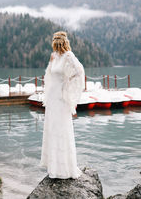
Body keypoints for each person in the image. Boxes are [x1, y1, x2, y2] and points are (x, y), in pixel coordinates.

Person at [40, 31, 85, 179]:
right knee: (52, 129)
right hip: (52, 98)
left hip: (61, 98)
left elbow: (79, 71)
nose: (56, 45)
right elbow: (49, 75)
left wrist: (68, 85)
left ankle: (65, 168)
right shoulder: (53, 56)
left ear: (62, 42)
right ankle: (53, 167)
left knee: (62, 129)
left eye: (57, 42)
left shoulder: (69, 56)